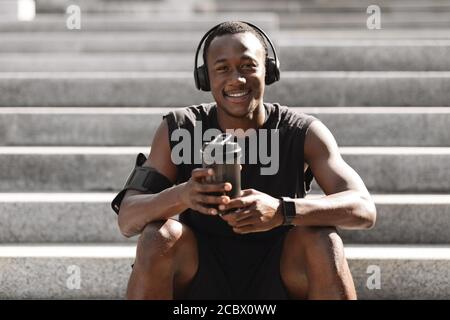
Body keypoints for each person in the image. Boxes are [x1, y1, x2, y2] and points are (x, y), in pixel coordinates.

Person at [113, 21, 376, 300]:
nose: (236, 79)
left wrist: (281, 210)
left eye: (248, 66)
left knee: (323, 240)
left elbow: (363, 208)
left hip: (280, 273)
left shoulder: (303, 131)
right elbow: (128, 219)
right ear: (205, 79)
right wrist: (183, 194)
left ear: (268, 71)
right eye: (222, 68)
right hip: (201, 276)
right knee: (157, 237)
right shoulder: (180, 128)